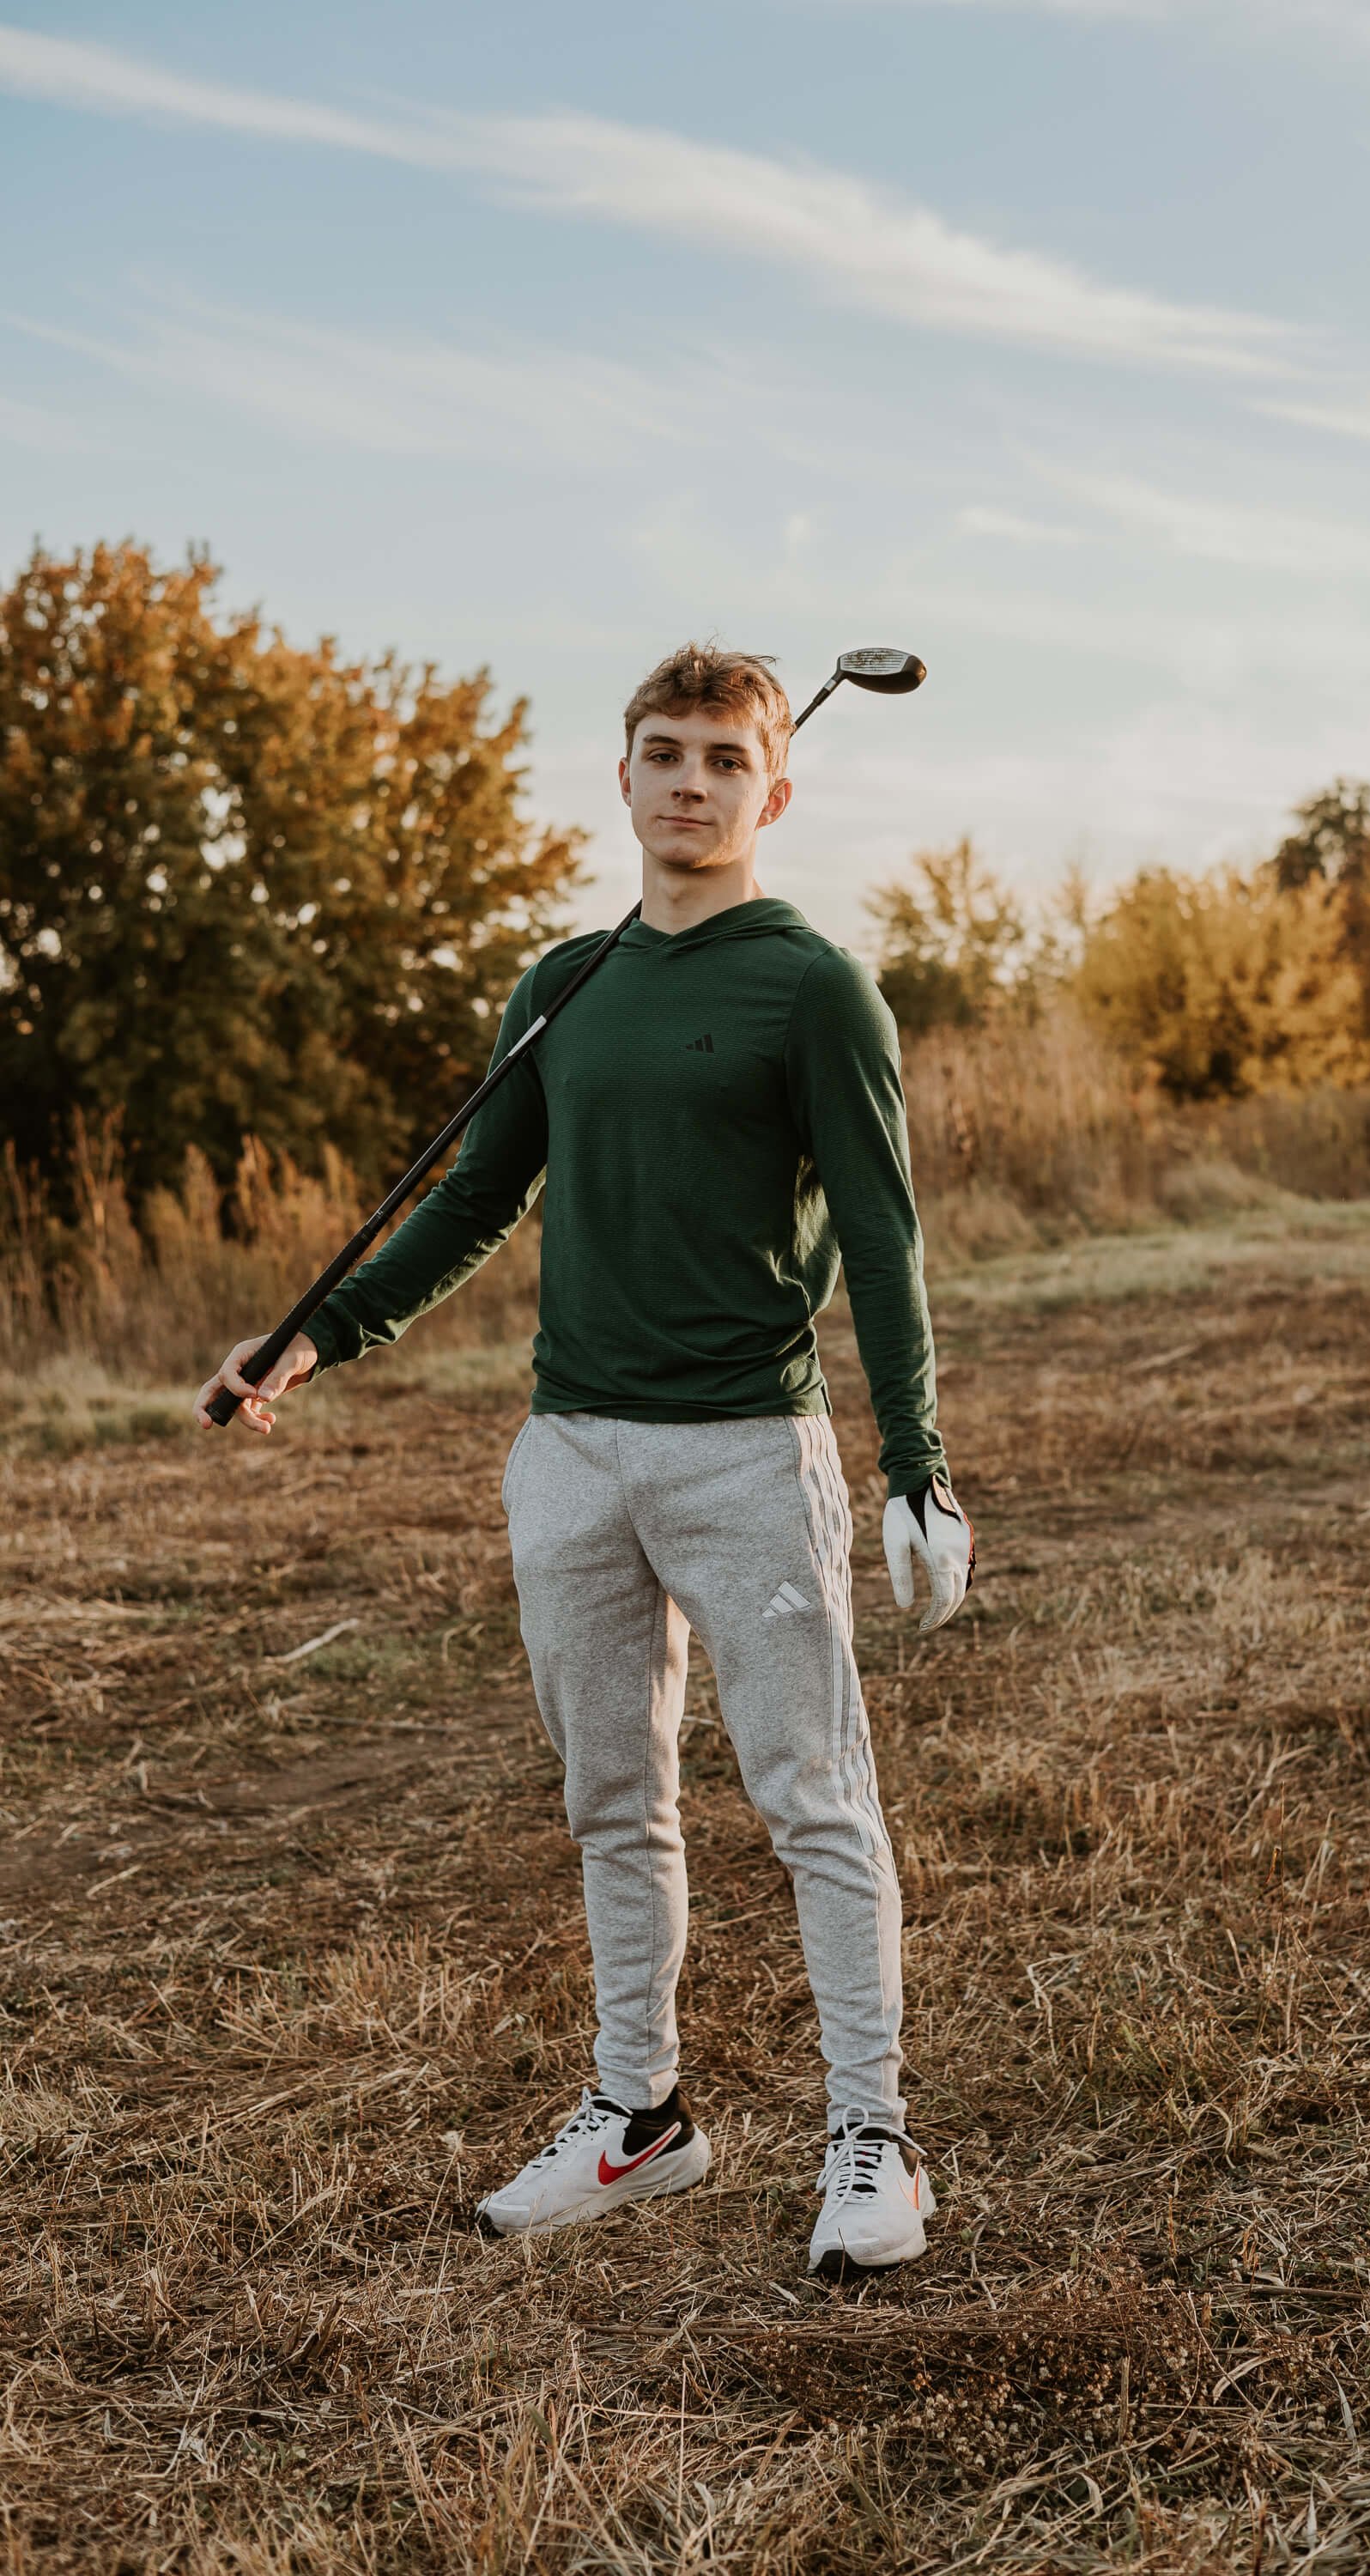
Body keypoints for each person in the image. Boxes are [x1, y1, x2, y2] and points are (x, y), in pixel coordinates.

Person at [195, 643, 973, 2275]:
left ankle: (874, 2137)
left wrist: (917, 1458)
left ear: (776, 792)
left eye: (724, 759)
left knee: (814, 1799)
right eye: (664, 753)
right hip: (569, 1452)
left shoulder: (815, 987)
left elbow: (884, 1237)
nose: (691, 782)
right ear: (621, 778)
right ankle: (640, 2116)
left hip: (746, 1450)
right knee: (612, 1797)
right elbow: (479, 1199)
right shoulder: (559, 984)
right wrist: (317, 1333)